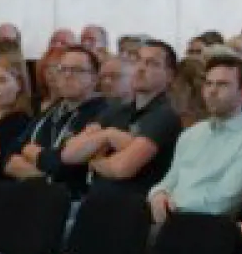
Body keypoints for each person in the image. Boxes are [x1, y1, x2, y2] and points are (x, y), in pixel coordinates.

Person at [148, 56, 242, 222]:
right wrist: (157, 194)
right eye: (208, 83)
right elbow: (170, 179)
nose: (212, 91)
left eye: (222, 84)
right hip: (171, 219)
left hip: (209, 229)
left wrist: (173, 202)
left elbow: (223, 201)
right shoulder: (191, 134)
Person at [61, 39, 183, 196]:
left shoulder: (165, 115)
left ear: (170, 75)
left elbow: (122, 168)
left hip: (134, 207)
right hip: (97, 201)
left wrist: (93, 159)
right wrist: (109, 135)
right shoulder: (116, 110)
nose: (140, 68)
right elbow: (69, 154)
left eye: (152, 63)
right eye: (138, 60)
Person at [6, 45, 108, 197]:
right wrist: (45, 177)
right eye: (63, 69)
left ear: (94, 78)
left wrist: (31, 152)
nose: (67, 75)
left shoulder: (102, 113)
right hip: (33, 195)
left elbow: (65, 167)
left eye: (77, 70)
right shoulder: (52, 110)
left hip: (70, 202)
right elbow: (11, 153)